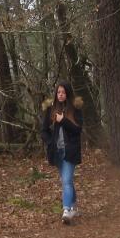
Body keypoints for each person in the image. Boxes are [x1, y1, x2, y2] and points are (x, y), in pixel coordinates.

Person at [41, 81, 84, 223]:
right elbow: (44, 131)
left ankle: (66, 210)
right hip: (57, 152)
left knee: (66, 181)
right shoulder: (50, 110)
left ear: (68, 94)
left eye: (63, 92)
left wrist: (63, 120)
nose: (60, 95)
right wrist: (50, 142)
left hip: (70, 151)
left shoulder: (75, 110)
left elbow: (78, 129)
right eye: (58, 92)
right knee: (68, 180)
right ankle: (74, 206)